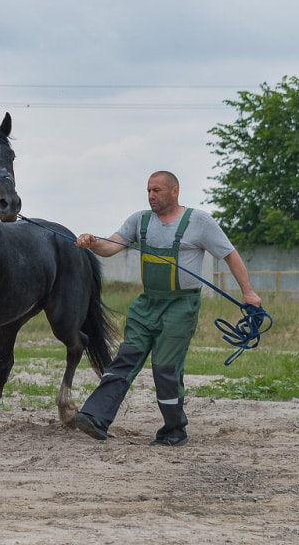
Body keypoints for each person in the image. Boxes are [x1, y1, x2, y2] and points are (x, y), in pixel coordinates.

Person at [73, 170, 262, 446]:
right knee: (126, 358)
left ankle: (174, 430)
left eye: (157, 191)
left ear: (175, 191)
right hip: (146, 304)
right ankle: (95, 417)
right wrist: (92, 242)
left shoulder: (199, 222)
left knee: (165, 368)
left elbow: (229, 254)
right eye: (149, 190)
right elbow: (110, 246)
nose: (151, 196)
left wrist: (248, 292)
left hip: (181, 306)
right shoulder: (140, 220)